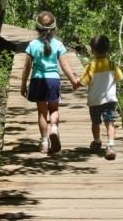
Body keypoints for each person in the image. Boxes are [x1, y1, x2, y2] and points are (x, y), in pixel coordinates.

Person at [21, 11, 80, 154]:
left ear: (37, 27)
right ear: (54, 28)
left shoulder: (33, 44)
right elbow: (65, 66)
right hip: (53, 81)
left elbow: (27, 66)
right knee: (54, 110)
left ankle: (44, 142)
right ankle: (54, 128)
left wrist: (23, 85)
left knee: (42, 113)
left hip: (37, 81)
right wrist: (73, 81)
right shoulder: (58, 44)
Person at [78, 35, 123, 160]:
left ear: (91, 50)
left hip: (95, 100)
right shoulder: (111, 65)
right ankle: (111, 145)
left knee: (95, 122)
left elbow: (84, 82)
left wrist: (76, 81)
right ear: (108, 49)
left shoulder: (90, 66)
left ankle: (97, 142)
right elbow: (120, 77)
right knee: (110, 123)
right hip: (109, 99)